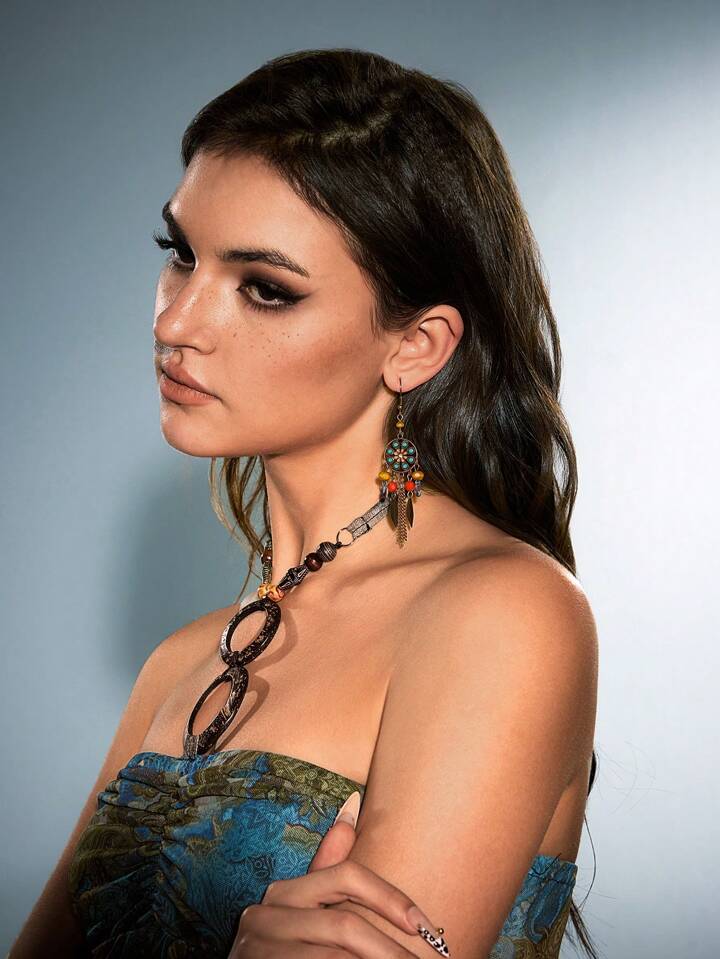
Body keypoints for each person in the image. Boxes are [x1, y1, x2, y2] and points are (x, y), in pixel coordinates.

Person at [10, 47, 600, 959]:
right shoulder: (177, 663)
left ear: (416, 344)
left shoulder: (504, 612)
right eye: (181, 255)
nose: (175, 321)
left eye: (264, 289)